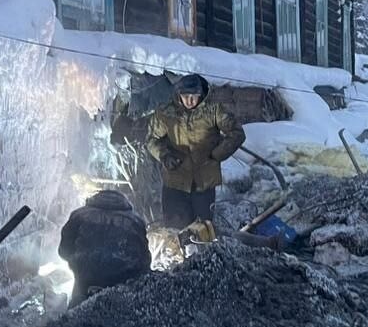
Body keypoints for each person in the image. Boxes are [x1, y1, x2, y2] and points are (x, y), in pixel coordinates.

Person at [146, 73, 246, 229]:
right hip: (175, 182)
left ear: (202, 95)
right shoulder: (166, 113)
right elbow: (152, 139)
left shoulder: (213, 111)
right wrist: (165, 155)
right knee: (174, 231)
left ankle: (201, 252)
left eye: (195, 96)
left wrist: (217, 155)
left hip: (204, 184)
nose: (190, 100)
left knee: (202, 231)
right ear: (179, 94)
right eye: (186, 96)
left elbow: (237, 133)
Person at [57, 189, 151, 309]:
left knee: (74, 316)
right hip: (122, 283)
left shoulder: (79, 215)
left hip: (85, 280)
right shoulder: (135, 221)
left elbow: (63, 251)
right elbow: (144, 261)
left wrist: (80, 262)